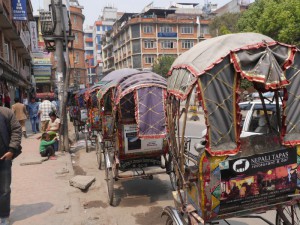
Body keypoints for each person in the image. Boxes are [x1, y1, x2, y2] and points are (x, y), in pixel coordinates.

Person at [0, 106, 22, 225]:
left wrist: (12, 149)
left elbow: (16, 130)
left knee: (4, 189)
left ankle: (4, 216)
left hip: (4, 157)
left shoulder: (5, 112)